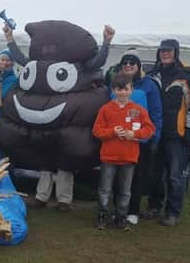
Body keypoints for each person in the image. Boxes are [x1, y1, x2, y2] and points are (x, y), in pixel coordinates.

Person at [10, 23, 116, 212]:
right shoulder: (38, 65)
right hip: (44, 124)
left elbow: (98, 61)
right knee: (45, 162)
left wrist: (106, 42)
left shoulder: (78, 65)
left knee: (66, 162)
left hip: (68, 125)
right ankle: (42, 196)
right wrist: (10, 39)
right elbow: (21, 59)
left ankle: (64, 199)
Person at [104, 48, 162, 225]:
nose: (128, 66)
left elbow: (156, 113)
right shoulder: (114, 85)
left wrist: (152, 138)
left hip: (139, 140)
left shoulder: (149, 85)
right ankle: (118, 209)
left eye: (132, 63)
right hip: (117, 140)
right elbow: (109, 110)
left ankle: (133, 211)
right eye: (125, 63)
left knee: (136, 177)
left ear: (138, 65)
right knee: (116, 178)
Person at [92, 73, 155, 230]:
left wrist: (135, 134)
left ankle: (121, 216)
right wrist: (113, 132)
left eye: (126, 89)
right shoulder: (105, 109)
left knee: (125, 191)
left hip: (129, 157)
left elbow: (150, 129)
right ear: (114, 90)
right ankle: (102, 215)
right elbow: (97, 131)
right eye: (119, 89)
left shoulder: (138, 110)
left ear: (132, 89)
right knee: (105, 189)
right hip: (109, 157)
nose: (123, 93)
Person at [145, 39, 190, 226]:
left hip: (178, 135)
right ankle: (154, 206)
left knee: (175, 176)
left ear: (176, 52)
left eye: (169, 51)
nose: (165, 54)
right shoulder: (152, 75)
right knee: (154, 173)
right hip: (156, 132)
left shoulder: (187, 76)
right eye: (162, 51)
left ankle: (172, 212)